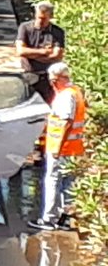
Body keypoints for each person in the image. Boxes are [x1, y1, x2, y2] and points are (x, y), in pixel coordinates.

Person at [30, 62, 86, 231]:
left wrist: (57, 148)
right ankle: (67, 219)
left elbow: (66, 123)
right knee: (69, 185)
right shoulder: (75, 92)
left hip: (62, 149)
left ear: (60, 78)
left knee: (53, 181)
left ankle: (49, 219)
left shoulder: (65, 96)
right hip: (74, 148)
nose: (52, 84)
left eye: (53, 80)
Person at [15, 1, 66, 102]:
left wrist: (31, 55)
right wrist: (45, 52)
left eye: (44, 19)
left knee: (49, 103)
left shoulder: (57, 32)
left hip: (48, 77)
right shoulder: (25, 28)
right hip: (28, 74)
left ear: (50, 17)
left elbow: (57, 56)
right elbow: (21, 51)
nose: (40, 21)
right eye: (38, 17)